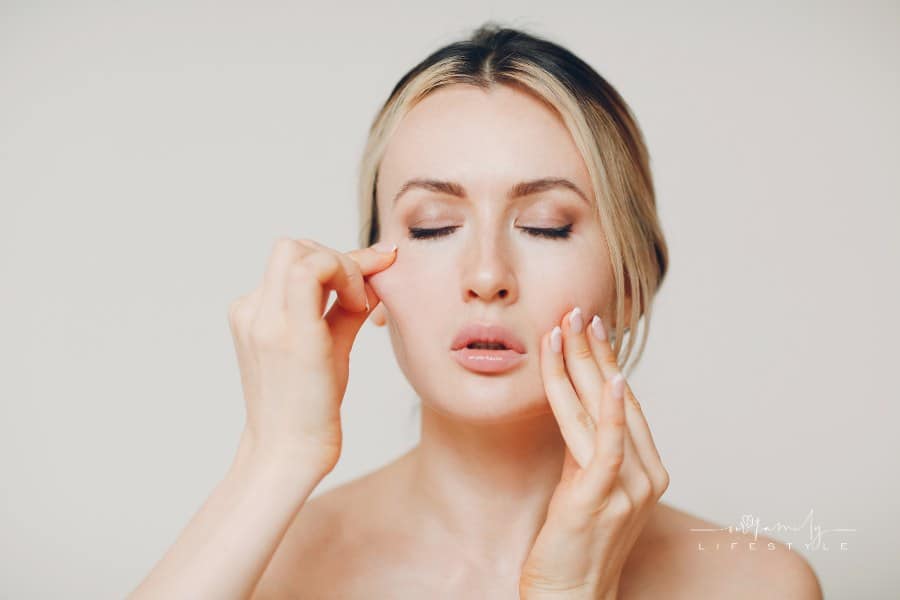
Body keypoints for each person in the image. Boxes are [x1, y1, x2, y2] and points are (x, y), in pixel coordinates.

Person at [129, 23, 823, 599]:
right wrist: (274, 456)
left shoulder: (755, 584)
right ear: (371, 275)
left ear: (632, 284)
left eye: (547, 225)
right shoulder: (264, 569)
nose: (487, 275)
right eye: (432, 226)